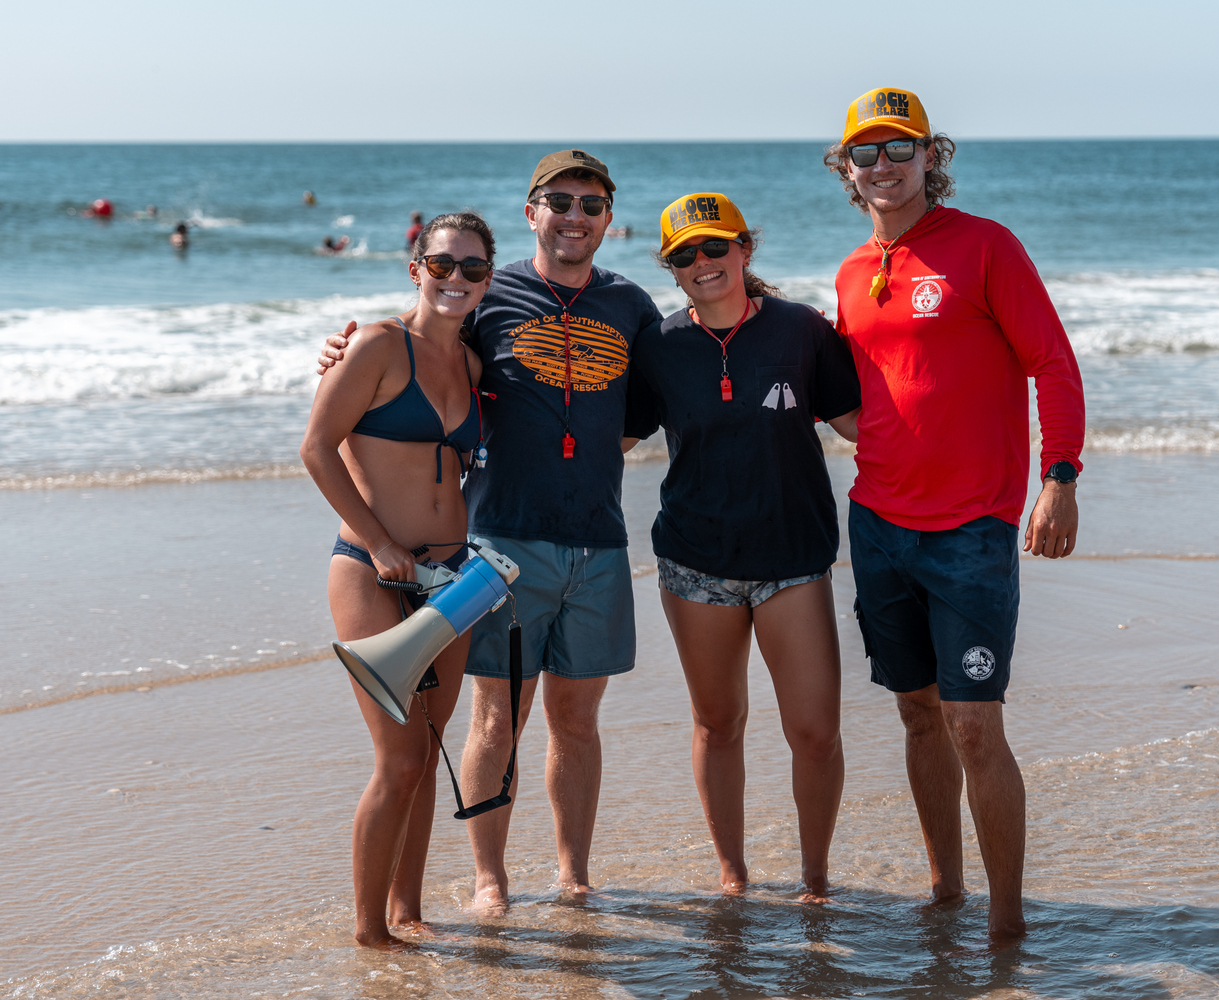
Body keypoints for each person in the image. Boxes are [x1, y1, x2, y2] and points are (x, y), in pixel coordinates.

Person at [317, 150, 662, 913]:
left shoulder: (631, 305)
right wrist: (342, 351)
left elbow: (646, 408)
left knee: (578, 722)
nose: (574, 217)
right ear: (531, 211)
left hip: (599, 541)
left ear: (608, 218)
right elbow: (417, 347)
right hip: (499, 545)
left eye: (591, 205)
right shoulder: (486, 293)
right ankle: (489, 880)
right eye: (558, 202)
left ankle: (573, 877)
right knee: (497, 717)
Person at [825, 87, 1086, 944]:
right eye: (866, 152)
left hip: (971, 530)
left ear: (930, 156)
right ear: (847, 169)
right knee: (915, 713)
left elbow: (1052, 362)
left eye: (900, 148)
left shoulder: (984, 246)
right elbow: (859, 398)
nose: (883, 165)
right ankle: (945, 893)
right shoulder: (852, 273)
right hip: (877, 524)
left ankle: (1007, 924)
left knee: (973, 723)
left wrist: (1059, 478)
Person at [623, 193, 860, 900]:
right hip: (695, 561)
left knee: (815, 732)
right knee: (718, 723)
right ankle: (733, 874)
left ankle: (815, 878)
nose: (702, 262)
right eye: (684, 255)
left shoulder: (801, 329)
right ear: (671, 269)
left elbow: (861, 422)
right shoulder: (659, 347)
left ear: (744, 250)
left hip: (793, 559)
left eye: (714, 246)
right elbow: (610, 434)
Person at [300, 211, 493, 949]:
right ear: (417, 270)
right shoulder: (377, 344)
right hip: (370, 572)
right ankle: (368, 932)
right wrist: (380, 542)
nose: (456, 278)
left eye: (473, 268)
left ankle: (409, 913)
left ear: (487, 280)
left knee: (429, 752)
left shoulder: (473, 366)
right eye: (442, 264)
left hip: (453, 579)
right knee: (400, 757)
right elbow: (317, 447)